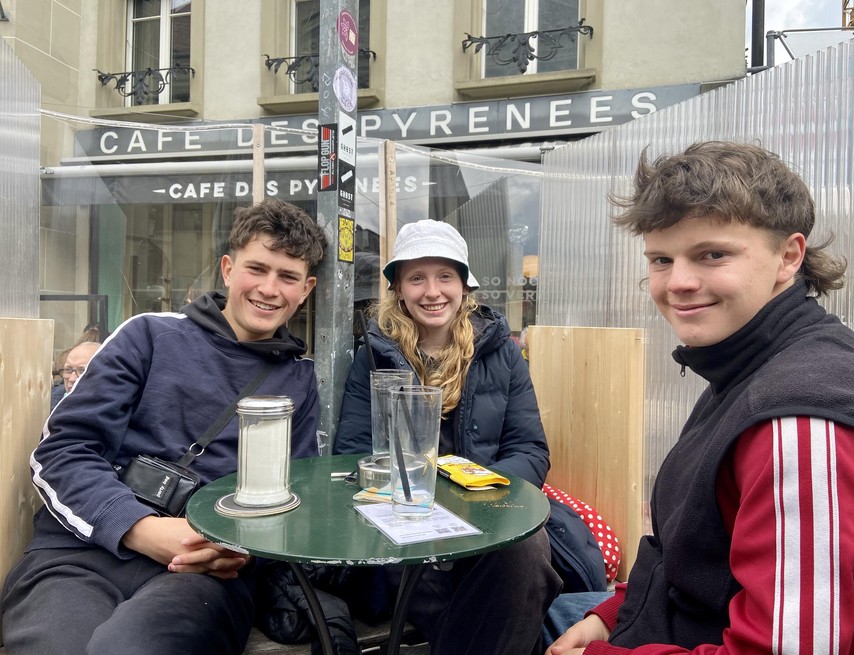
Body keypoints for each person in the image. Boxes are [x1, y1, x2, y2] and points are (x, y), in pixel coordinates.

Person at [543, 141, 854, 654]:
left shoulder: (799, 421)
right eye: (660, 259)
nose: (678, 282)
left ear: (789, 256)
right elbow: (689, 549)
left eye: (712, 254)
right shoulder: (743, 364)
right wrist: (611, 615)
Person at [2, 199, 328, 655]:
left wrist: (238, 546)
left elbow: (293, 493)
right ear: (228, 268)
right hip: (79, 554)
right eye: (258, 268)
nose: (270, 289)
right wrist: (140, 528)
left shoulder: (299, 379)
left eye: (288, 276)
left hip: (204, 575)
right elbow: (62, 451)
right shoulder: (148, 335)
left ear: (306, 288)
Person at [334, 219, 562, 655]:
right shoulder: (374, 356)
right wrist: (417, 501)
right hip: (406, 519)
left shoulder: (502, 352)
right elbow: (353, 453)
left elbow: (529, 450)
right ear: (398, 288)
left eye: (445, 276)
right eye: (416, 278)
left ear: (464, 286)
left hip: (489, 515)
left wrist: (473, 499)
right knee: (432, 576)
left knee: (526, 550)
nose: (432, 291)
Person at [50, 340, 101, 410]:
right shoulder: (47, 402)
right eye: (68, 370)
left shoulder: (116, 411)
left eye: (83, 371)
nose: (72, 379)